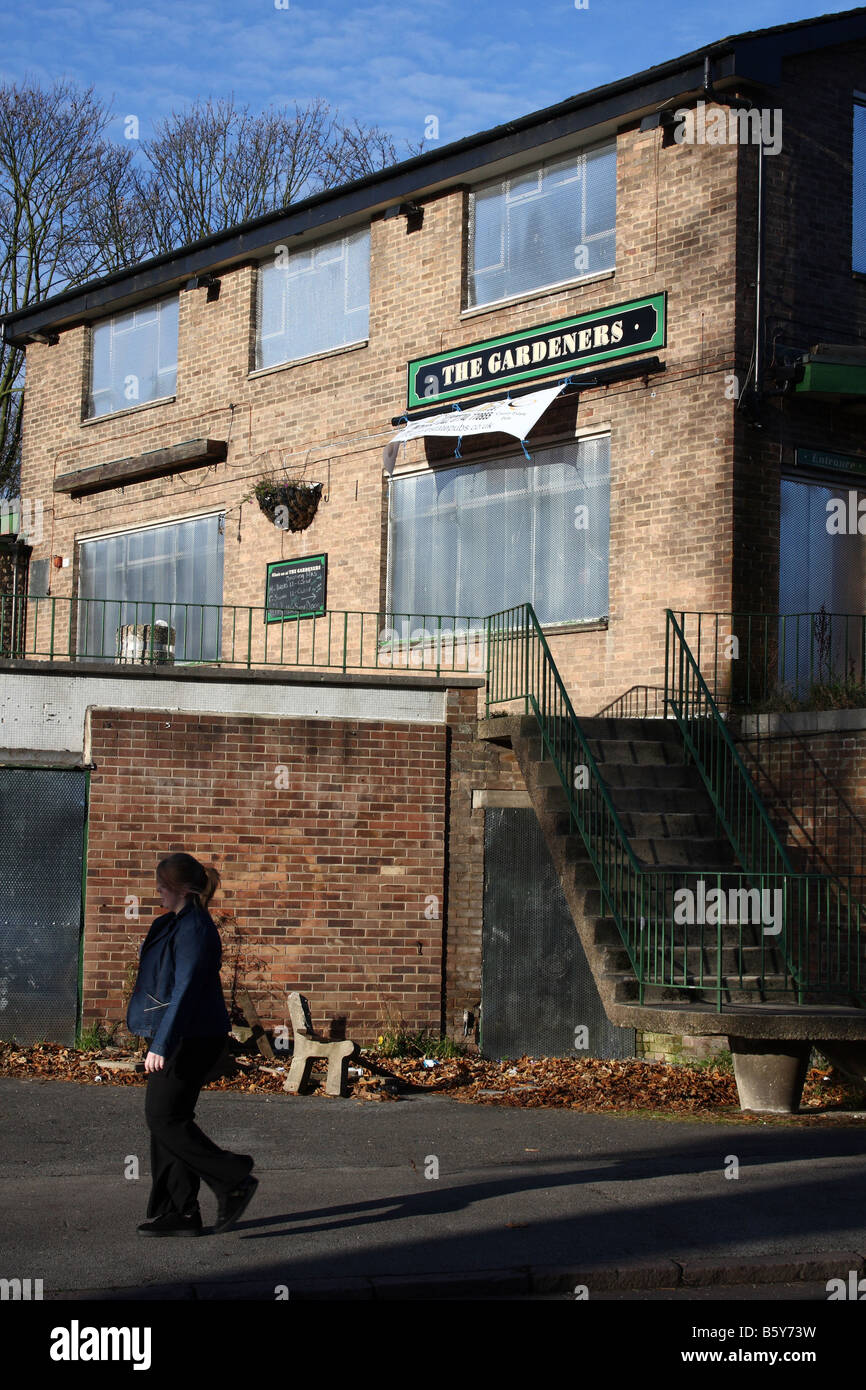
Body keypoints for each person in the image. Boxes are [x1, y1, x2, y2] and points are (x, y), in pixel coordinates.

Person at [126, 852, 258, 1236]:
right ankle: (180, 1211)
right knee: (169, 1121)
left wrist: (162, 1043)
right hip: (175, 1034)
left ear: (182, 889)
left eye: (163, 887)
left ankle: (232, 1176)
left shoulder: (196, 930)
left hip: (191, 1038)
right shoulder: (172, 924)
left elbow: (184, 990)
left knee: (163, 1117)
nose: (158, 894)